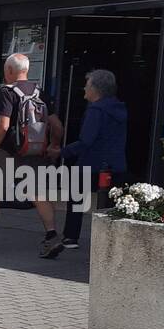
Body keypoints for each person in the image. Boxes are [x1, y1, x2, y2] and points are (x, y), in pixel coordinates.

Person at [0, 53, 66, 258]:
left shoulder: (7, 92)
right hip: (35, 151)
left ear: (10, 71)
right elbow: (57, 126)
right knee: (38, 193)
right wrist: (53, 145)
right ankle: (52, 236)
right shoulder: (40, 92)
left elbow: (3, 125)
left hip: (9, 151)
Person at [60, 68, 128, 247]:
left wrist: (62, 152)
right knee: (112, 203)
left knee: (76, 197)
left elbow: (86, 140)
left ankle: (71, 236)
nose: (84, 89)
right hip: (116, 162)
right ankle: (111, 240)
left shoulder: (96, 110)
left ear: (95, 89)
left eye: (86, 85)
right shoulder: (119, 108)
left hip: (91, 162)